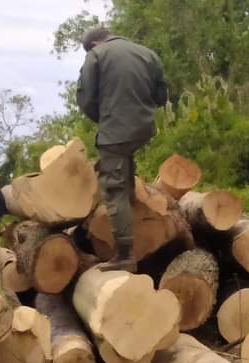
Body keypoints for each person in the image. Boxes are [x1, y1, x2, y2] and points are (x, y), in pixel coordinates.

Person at [76, 27, 168, 272]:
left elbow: (85, 98)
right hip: (143, 128)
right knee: (124, 175)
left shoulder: (96, 55)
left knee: (114, 188)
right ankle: (133, 224)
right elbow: (161, 96)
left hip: (115, 130)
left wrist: (104, 118)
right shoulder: (147, 54)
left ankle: (125, 254)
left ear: (94, 43)